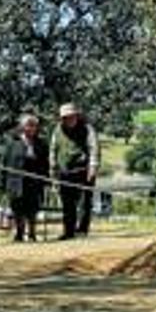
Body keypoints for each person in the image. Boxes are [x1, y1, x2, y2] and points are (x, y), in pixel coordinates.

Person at [49, 103, 100, 241]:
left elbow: (93, 147)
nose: (68, 119)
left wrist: (93, 167)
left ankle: (82, 230)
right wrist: (53, 169)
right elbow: (53, 150)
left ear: (76, 116)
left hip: (84, 169)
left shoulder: (87, 128)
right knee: (67, 203)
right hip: (65, 172)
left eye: (71, 116)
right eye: (65, 117)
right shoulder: (57, 130)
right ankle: (68, 231)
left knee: (85, 201)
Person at [1, 114, 49, 242]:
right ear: (22, 127)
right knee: (17, 208)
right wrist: (3, 183)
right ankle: (19, 233)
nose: (31, 128)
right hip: (16, 182)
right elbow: (5, 163)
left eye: (33, 126)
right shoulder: (13, 143)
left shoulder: (41, 144)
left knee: (32, 208)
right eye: (28, 125)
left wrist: (46, 180)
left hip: (34, 181)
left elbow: (45, 163)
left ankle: (32, 233)